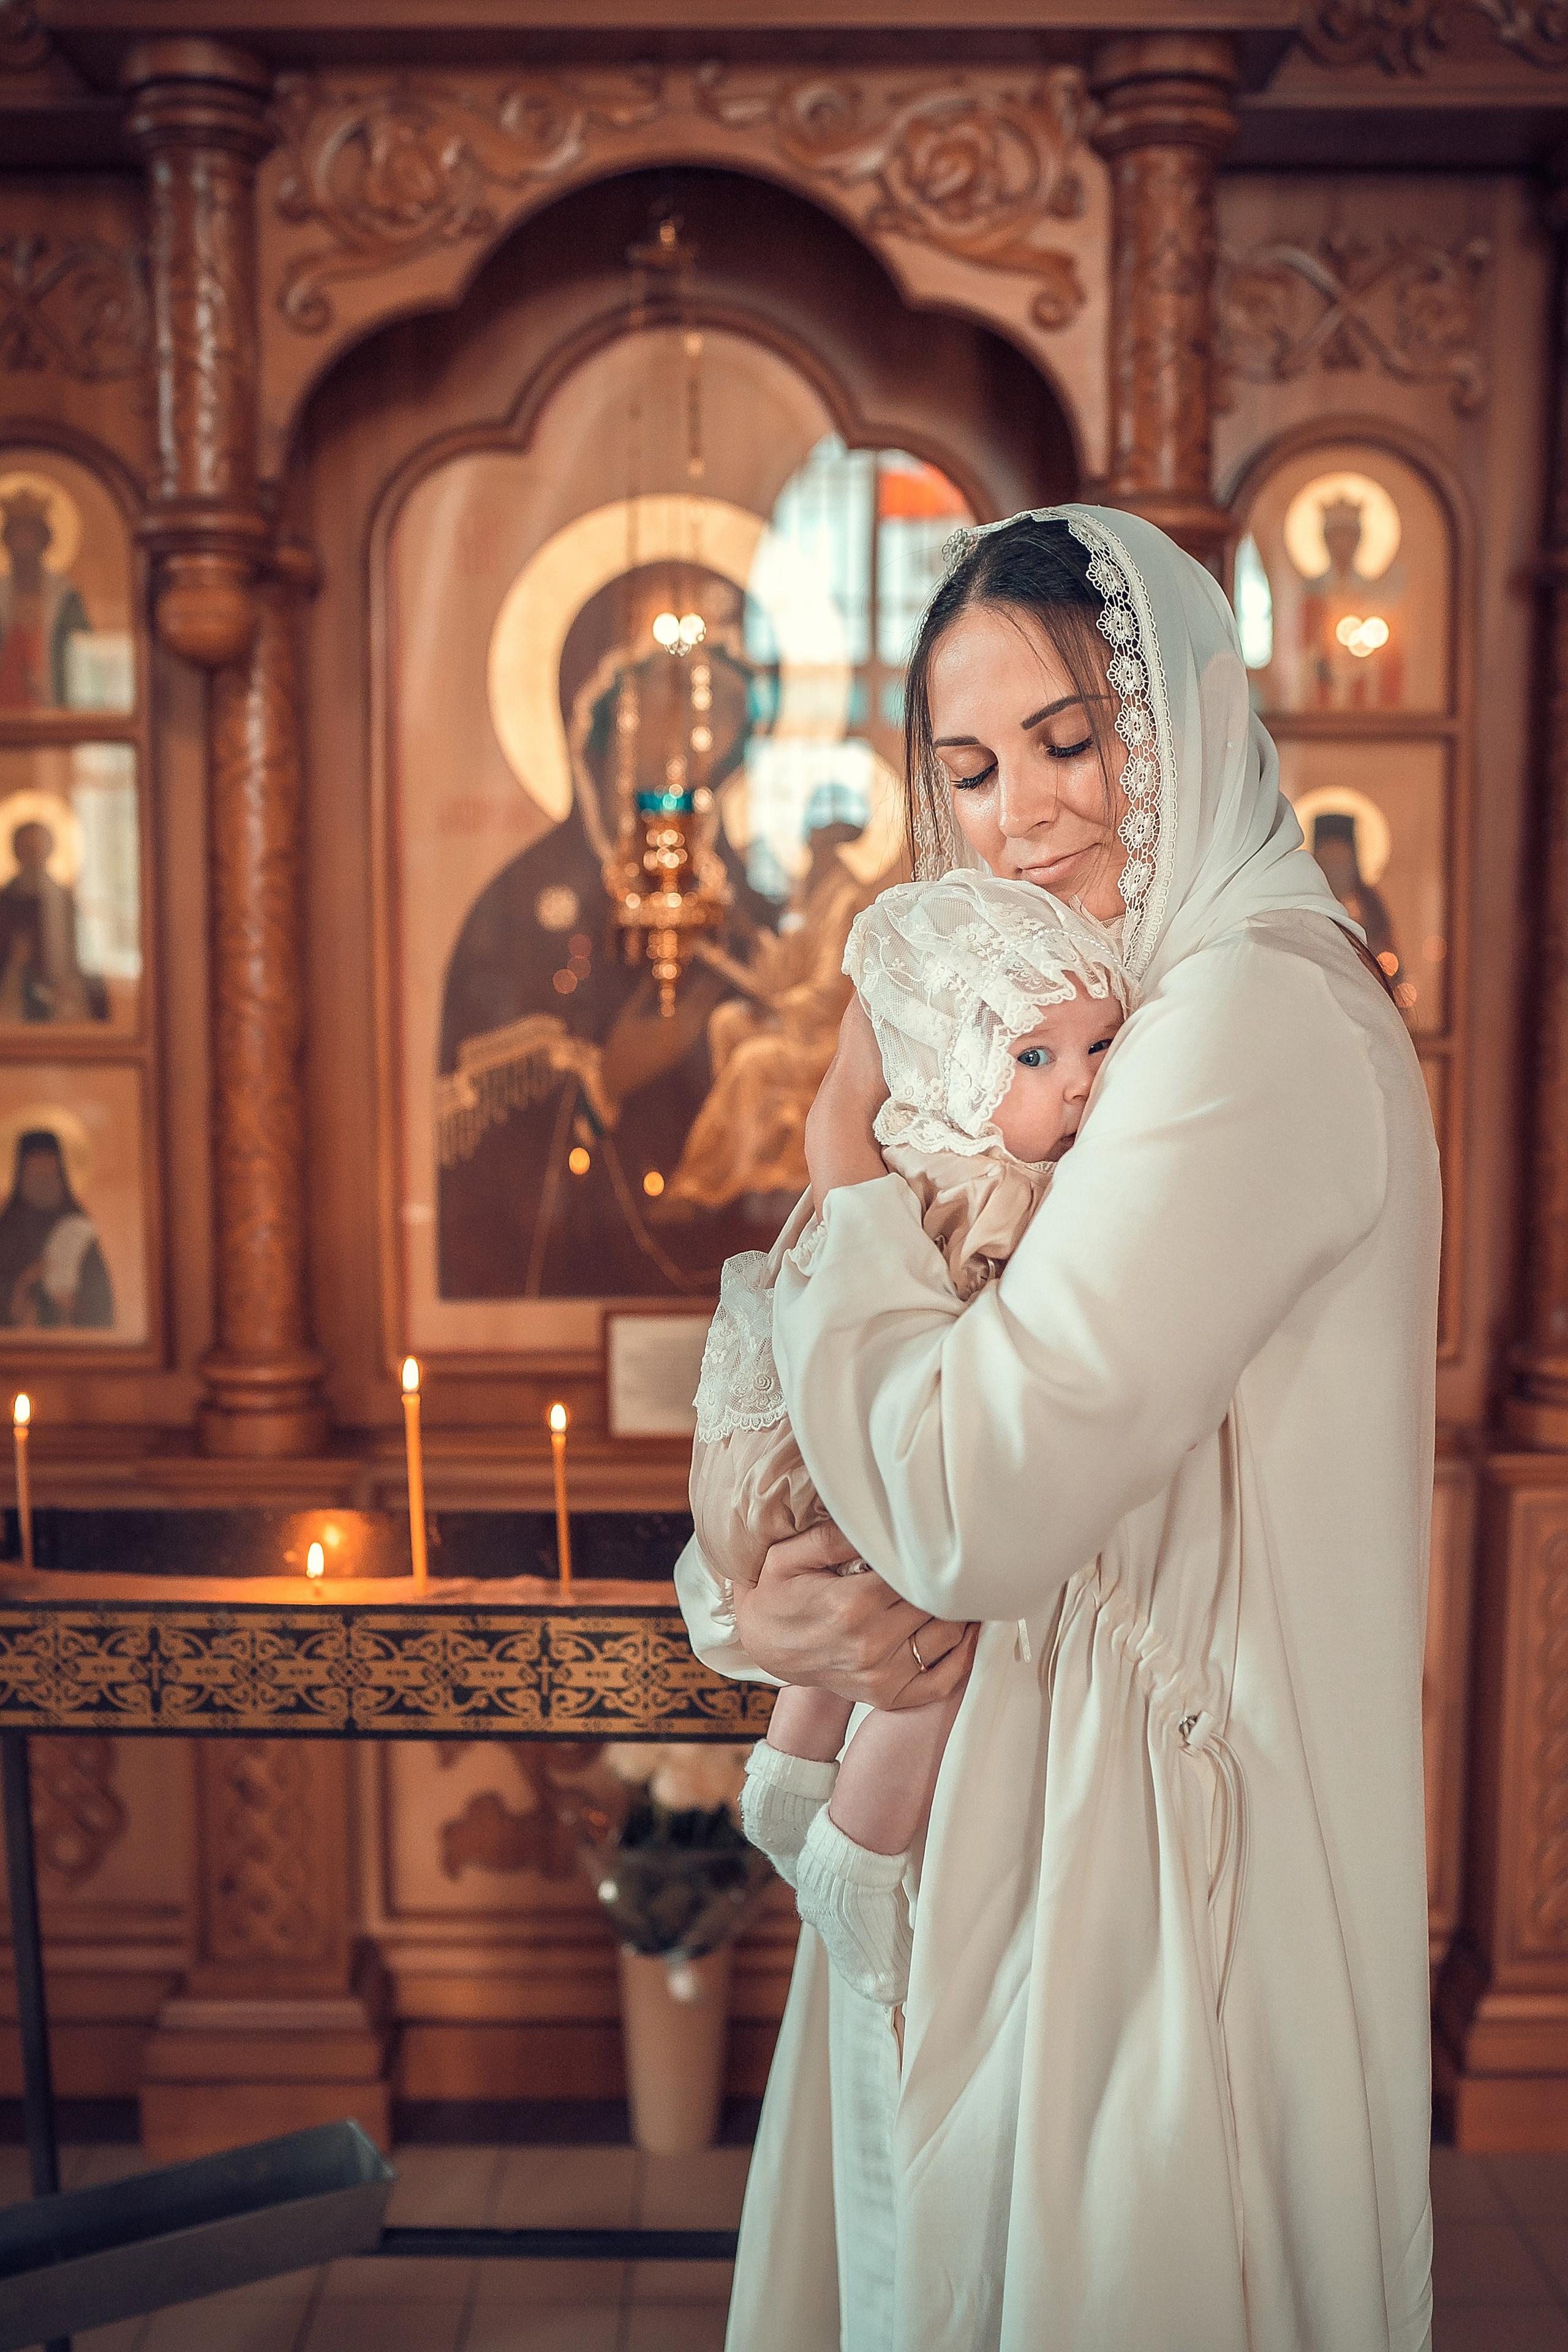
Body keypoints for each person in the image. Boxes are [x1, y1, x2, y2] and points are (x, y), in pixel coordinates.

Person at [675, 506, 1439, 2351]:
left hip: (1148, 1901)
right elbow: (848, 1453)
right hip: (986, 1841)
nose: (1020, 807)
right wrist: (745, 1607)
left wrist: (839, 1160)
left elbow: (968, 1509)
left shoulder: (1250, 1014)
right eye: (969, 766)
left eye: (1070, 739)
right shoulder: (1092, 1021)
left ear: (1176, 714)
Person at [688, 872, 1129, 2007]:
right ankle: (859, 1848)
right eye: (1035, 1057)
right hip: (833, 1454)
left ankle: (790, 1770)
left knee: (878, 1581)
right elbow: (957, 1380)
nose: (1080, 1088)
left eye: (1098, 1049)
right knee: (939, 1614)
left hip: (781, 1457)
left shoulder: (907, 1150)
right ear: (959, 1058)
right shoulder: (988, 1190)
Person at [0, 1128, 113, 1329]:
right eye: (35, 1168)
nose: (43, 1177)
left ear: (60, 1170)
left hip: (71, 1347)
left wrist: (73, 1303)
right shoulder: (7, 1227)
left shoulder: (77, 1223)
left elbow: (100, 1305)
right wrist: (23, 1285)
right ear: (22, 1171)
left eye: (49, 1168)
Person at [0, 820, 109, 1023]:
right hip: (12, 998)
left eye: (38, 848)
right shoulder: (5, 900)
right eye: (27, 848)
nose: (33, 854)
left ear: (50, 850)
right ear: (15, 851)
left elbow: (82, 954)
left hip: (60, 997)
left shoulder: (62, 900)